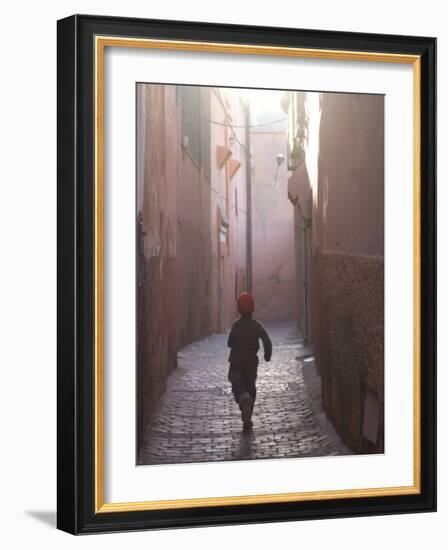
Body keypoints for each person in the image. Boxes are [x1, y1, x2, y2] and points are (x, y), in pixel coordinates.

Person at [227, 292, 272, 430]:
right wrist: (267, 355)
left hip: (236, 362)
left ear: (239, 309)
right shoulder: (257, 326)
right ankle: (248, 417)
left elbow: (229, 343)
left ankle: (243, 399)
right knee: (251, 387)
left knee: (237, 387)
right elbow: (267, 341)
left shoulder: (235, 326)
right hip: (251, 363)